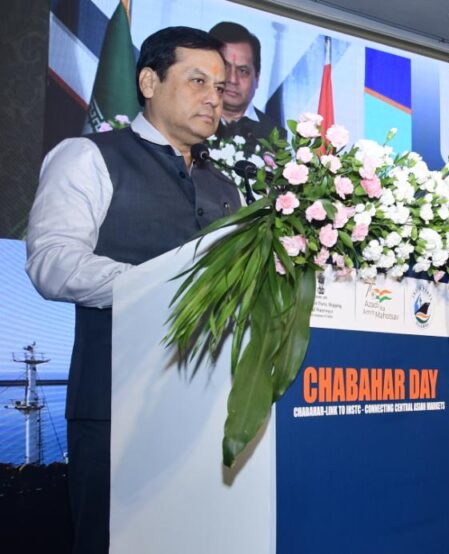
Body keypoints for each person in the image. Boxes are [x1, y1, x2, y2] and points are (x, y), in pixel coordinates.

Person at [25, 27, 240, 553]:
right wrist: (163, 286)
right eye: (197, 81)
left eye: (220, 86)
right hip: (116, 407)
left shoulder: (225, 187)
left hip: (211, 410)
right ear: (148, 82)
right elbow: (51, 263)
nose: (214, 98)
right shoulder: (87, 156)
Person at [208, 21, 282, 151]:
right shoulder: (189, 116)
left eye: (242, 71)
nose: (232, 79)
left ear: (257, 78)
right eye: (225, 67)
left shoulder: (275, 135)